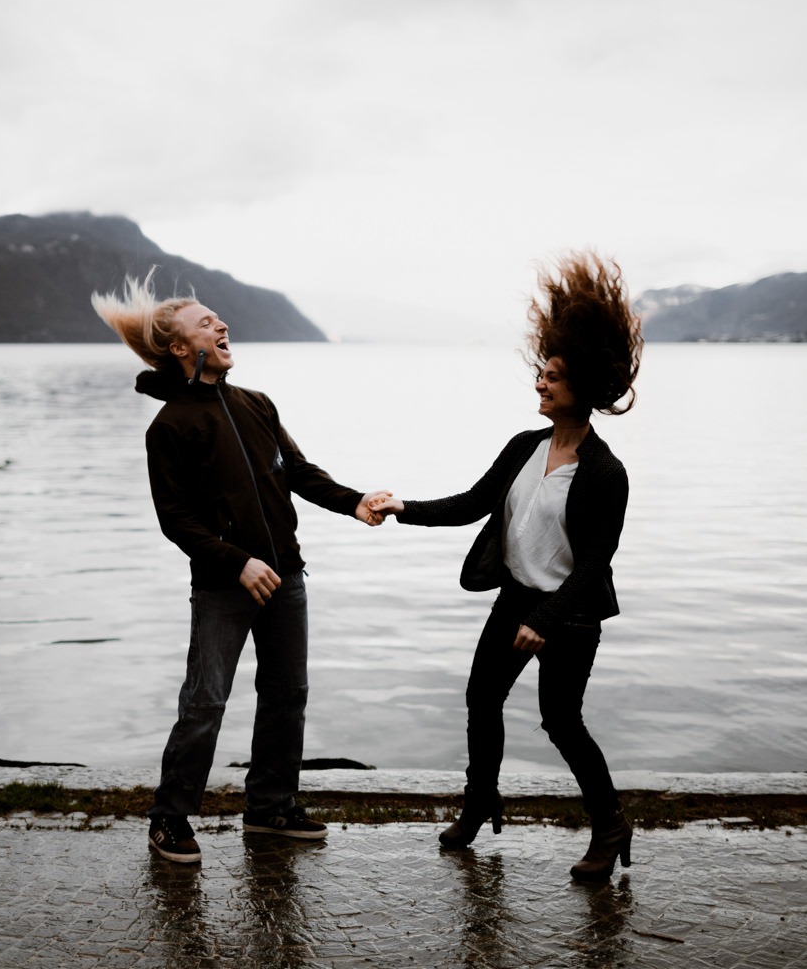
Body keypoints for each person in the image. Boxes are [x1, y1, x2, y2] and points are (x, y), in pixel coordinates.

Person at [92, 271, 390, 864]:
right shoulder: (170, 426)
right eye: (206, 322)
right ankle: (170, 817)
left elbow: (297, 473)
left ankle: (270, 809)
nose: (221, 325)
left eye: (219, 318)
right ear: (181, 348)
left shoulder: (257, 404)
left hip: (288, 576)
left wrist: (353, 501)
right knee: (205, 702)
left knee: (288, 695)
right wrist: (238, 563)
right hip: (225, 585)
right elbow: (177, 521)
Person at [369, 251, 643, 881]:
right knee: (480, 700)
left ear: (583, 387)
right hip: (514, 601)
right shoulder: (525, 447)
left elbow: (595, 565)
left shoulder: (605, 473)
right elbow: (471, 504)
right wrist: (402, 507)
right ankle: (480, 803)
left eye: (552, 376)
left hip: (569, 615)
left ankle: (609, 825)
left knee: (561, 723)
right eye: (541, 373)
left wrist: (546, 619)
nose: (540, 384)